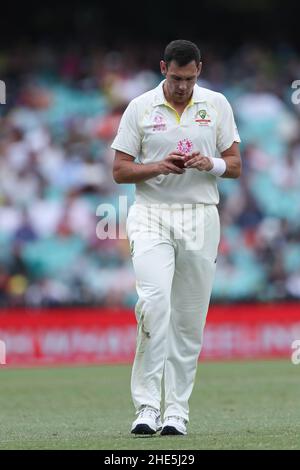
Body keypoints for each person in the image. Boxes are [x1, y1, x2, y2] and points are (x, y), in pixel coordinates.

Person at [111, 39, 241, 436]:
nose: (181, 86)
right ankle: (147, 407)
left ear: (199, 69)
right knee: (153, 305)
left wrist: (211, 163)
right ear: (162, 67)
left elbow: (235, 165)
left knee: (188, 320)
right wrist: (157, 167)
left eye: (188, 78)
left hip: (200, 216)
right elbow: (119, 170)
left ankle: (176, 412)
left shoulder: (216, 104)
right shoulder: (140, 107)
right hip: (152, 215)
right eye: (174, 77)